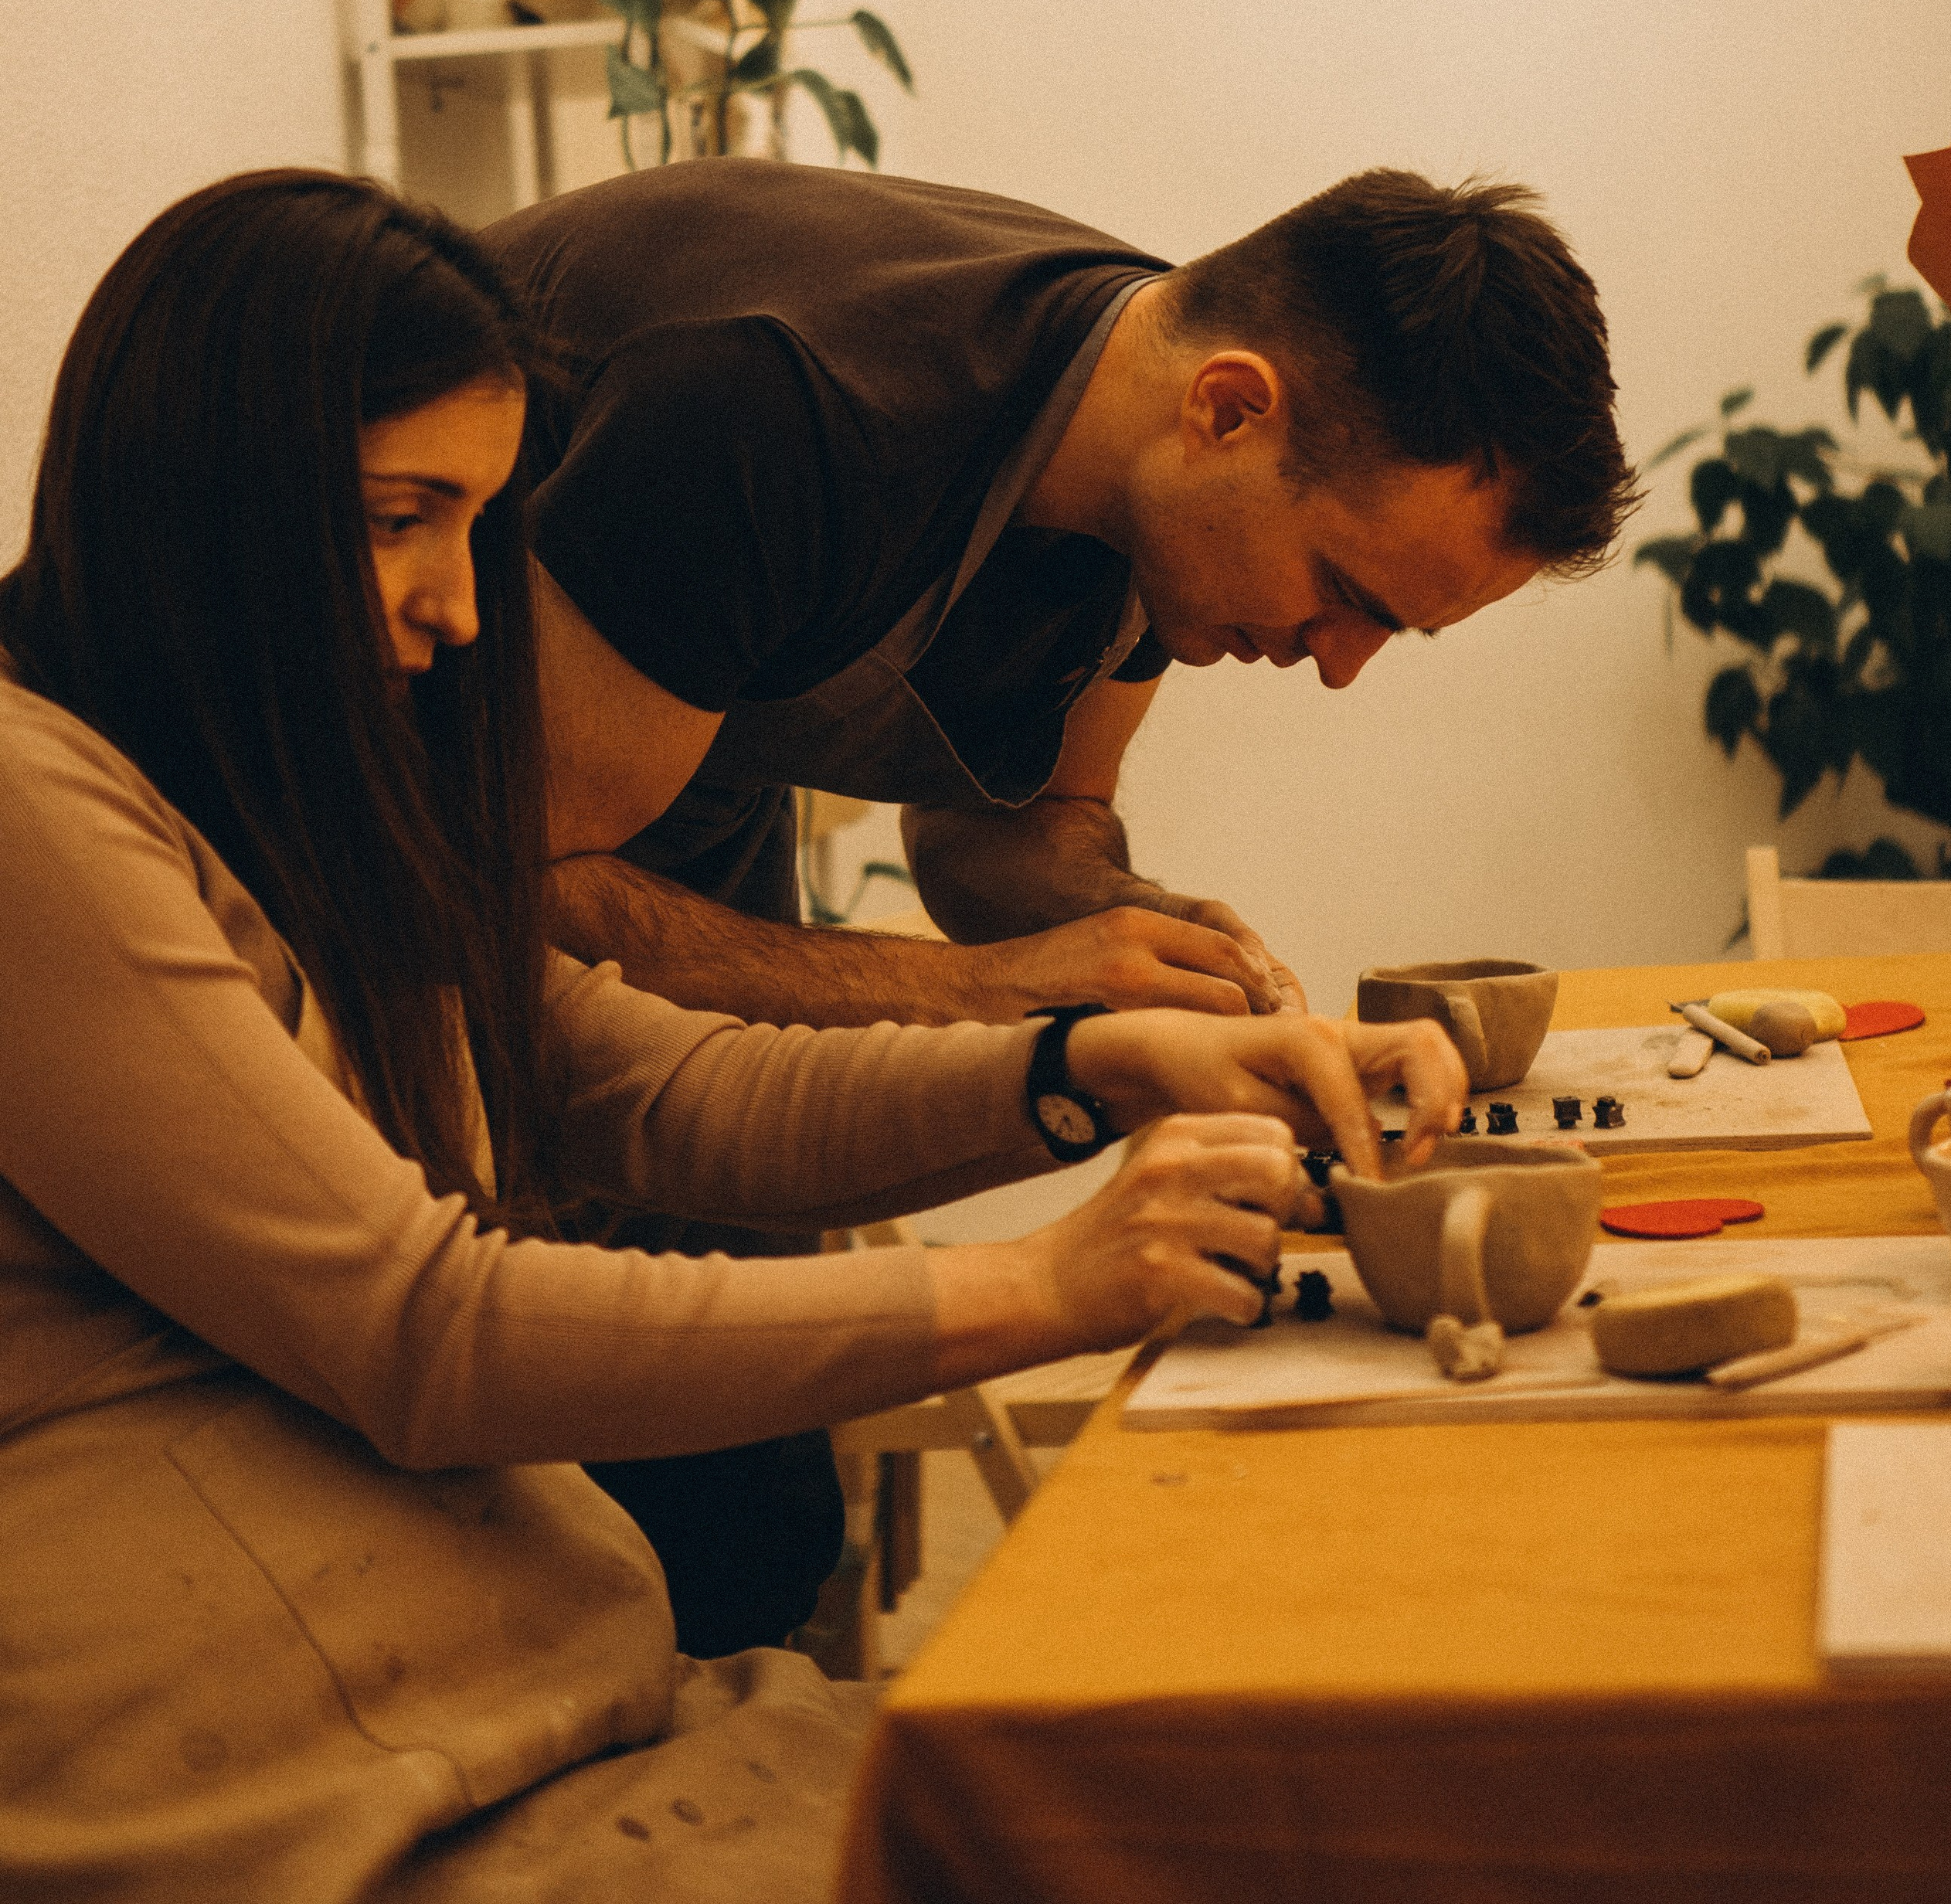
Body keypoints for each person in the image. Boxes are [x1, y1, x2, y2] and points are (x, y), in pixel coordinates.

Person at [0, 169, 1465, 1904]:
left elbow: (650, 1079)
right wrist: (1046, 1286)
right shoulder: (34, 811)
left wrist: (1095, 1068)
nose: (460, 609)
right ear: (197, 500)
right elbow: (421, 1326)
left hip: (538, 1708)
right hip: (313, 1794)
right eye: (401, 519)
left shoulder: (281, 789)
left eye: (475, 527)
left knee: (1264, 1799)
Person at [489, 159, 1633, 1032]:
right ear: (1227, 411)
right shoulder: (775, 410)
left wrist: (1131, 927)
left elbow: (1005, 833)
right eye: (1343, 592)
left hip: (679, 781)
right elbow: (516, 886)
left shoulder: (1153, 474)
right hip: (433, 820)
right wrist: (987, 987)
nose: (1338, 665)